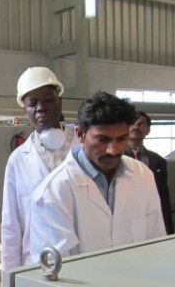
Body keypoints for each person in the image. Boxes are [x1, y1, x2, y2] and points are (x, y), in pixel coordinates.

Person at [29, 91, 166, 261]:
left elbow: (156, 241)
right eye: (103, 139)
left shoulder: (142, 175)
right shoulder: (53, 193)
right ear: (80, 134)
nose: (113, 150)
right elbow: (53, 270)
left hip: (138, 284)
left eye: (122, 139)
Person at [1, 67, 79, 270]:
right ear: (24, 110)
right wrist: (11, 278)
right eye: (32, 103)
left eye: (48, 100)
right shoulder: (18, 160)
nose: (41, 108)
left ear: (60, 102)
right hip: (37, 262)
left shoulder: (84, 146)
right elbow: (11, 226)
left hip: (83, 256)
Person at [124, 111, 174, 234]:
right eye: (132, 123)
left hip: (150, 218)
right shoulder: (115, 158)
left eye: (141, 124)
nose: (136, 127)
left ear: (148, 130)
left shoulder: (158, 161)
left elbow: (163, 196)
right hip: (125, 220)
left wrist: (168, 229)